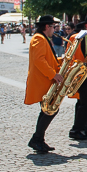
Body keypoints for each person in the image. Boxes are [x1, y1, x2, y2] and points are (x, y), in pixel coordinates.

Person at [26, 15, 62, 154]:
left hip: (46, 81)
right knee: (50, 110)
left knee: (48, 110)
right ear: (47, 26)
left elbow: (47, 59)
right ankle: (37, 139)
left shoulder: (42, 38)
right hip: (43, 81)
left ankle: (39, 139)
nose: (54, 30)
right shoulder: (39, 39)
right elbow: (39, 60)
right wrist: (53, 74)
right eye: (53, 27)